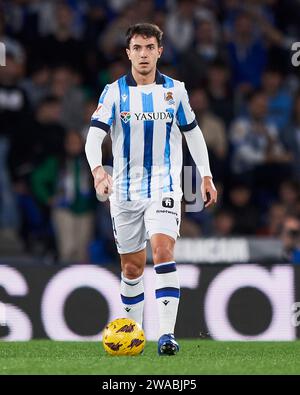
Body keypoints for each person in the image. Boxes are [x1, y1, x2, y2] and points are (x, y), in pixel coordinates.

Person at [85, 23, 217, 355]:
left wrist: (206, 175)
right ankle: (134, 334)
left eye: (149, 47)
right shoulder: (114, 92)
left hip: (165, 186)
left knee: (162, 253)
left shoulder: (176, 91)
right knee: (131, 267)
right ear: (128, 53)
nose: (143, 54)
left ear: (160, 51)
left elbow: (193, 133)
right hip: (124, 191)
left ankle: (168, 337)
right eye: (137, 48)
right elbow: (94, 137)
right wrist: (98, 169)